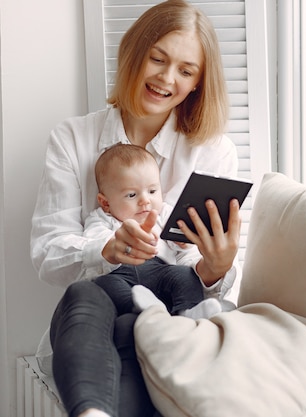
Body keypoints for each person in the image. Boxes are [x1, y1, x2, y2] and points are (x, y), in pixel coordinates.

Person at [30, 1, 240, 416]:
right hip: (98, 312)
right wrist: (104, 251)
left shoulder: (213, 151)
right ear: (132, 55)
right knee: (89, 297)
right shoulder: (72, 139)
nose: (166, 79)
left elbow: (198, 264)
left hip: (172, 312)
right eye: (157, 59)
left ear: (199, 82)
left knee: (139, 327)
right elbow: (48, 257)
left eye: (186, 70)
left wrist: (217, 268)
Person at [89, 143, 234, 319]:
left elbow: (180, 241)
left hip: (161, 272)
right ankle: (142, 309)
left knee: (184, 275)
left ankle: (190, 311)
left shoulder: (163, 213)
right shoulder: (100, 219)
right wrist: (113, 245)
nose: (145, 201)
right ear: (105, 203)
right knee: (103, 285)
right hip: (120, 275)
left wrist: (183, 243)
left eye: (152, 191)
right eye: (132, 195)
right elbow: (95, 245)